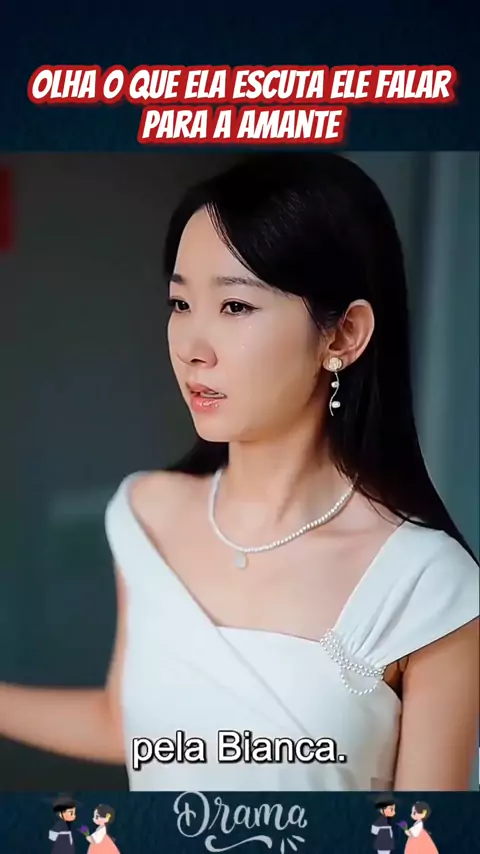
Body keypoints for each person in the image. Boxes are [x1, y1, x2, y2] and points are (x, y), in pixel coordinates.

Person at [0, 153, 478, 791]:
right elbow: (129, 724)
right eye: (180, 303)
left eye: (234, 306)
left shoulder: (429, 586)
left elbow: (427, 831)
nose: (191, 347)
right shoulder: (146, 514)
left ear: (343, 336)